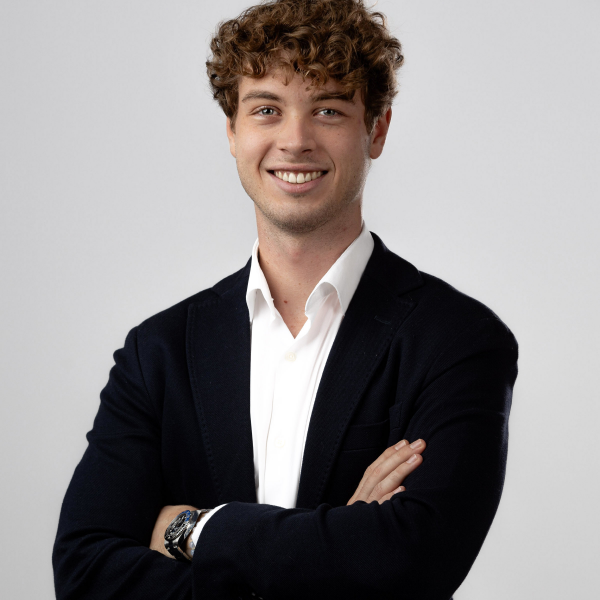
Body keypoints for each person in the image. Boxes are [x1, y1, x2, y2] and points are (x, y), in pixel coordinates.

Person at [53, 1, 518, 599]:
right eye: (267, 109)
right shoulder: (158, 353)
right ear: (232, 131)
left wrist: (195, 530)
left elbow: (411, 564)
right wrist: (342, 538)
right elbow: (85, 573)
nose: (295, 141)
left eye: (328, 110)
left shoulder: (456, 340)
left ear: (377, 130)